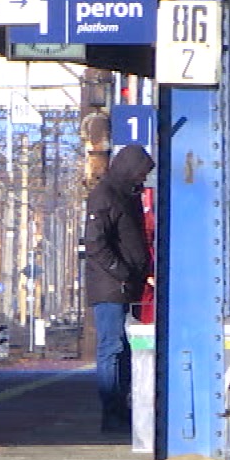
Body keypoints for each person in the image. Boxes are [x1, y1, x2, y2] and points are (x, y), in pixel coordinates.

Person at [83, 144, 154, 432]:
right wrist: (121, 272)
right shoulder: (105, 197)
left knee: (123, 348)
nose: (142, 181)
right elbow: (96, 242)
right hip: (111, 287)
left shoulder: (126, 195)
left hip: (126, 285)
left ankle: (120, 409)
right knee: (111, 346)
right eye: (140, 174)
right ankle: (111, 411)